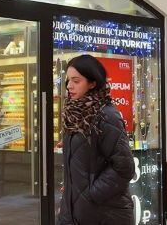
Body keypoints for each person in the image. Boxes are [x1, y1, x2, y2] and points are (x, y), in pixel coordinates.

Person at [57, 55, 133, 224]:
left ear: (92, 83)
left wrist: (91, 194)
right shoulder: (75, 113)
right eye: (68, 80)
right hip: (75, 212)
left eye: (76, 81)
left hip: (103, 213)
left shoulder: (106, 116)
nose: (69, 86)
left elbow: (124, 167)